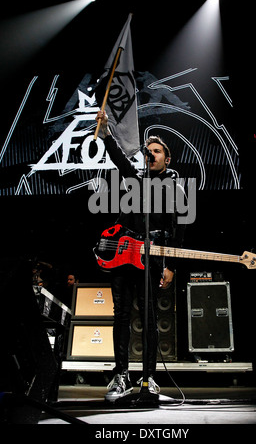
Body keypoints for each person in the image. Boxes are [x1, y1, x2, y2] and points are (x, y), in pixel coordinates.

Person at [95, 110, 187, 402]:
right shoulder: (136, 177)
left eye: (157, 151)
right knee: (121, 314)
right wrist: (106, 132)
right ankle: (121, 375)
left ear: (167, 159)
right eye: (149, 150)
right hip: (123, 255)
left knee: (149, 317)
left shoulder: (176, 188)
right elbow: (119, 159)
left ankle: (149, 377)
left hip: (152, 258)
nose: (151, 154)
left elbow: (178, 231)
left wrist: (171, 265)